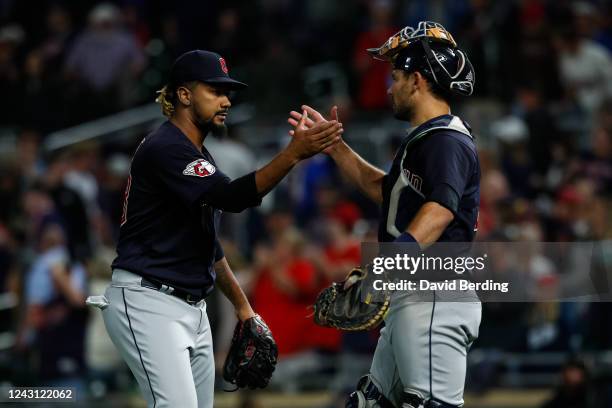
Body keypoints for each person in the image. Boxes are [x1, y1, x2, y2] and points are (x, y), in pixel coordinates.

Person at [93, 50, 343, 408]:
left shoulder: (198, 155)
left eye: (228, 91)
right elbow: (233, 196)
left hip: (190, 306)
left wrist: (244, 308)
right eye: (214, 90)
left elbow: (208, 242)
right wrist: (293, 154)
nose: (226, 100)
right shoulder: (166, 147)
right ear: (183, 94)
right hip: (147, 300)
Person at [289, 21, 481, 408]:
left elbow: (440, 210)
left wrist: (387, 265)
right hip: (415, 293)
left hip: (435, 291)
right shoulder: (430, 137)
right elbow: (388, 191)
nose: (389, 88)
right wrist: (337, 148)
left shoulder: (446, 140)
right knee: (370, 403)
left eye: (395, 77)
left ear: (418, 80)